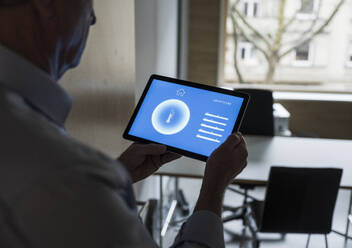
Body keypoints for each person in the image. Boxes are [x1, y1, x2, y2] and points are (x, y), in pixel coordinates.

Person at [0, 0, 248, 247]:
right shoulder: (68, 176)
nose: (93, 18)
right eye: (87, 4)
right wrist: (214, 187)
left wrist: (119, 175)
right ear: (45, 6)